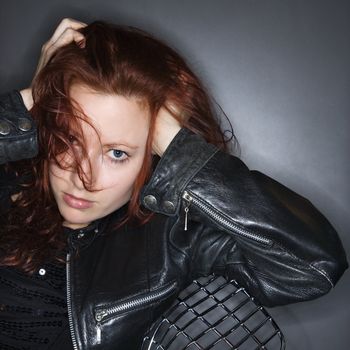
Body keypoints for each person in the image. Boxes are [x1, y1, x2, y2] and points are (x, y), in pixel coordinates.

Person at [0, 18, 347, 350]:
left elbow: (313, 266)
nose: (84, 177)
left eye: (117, 153)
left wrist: (172, 139)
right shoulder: (11, 179)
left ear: (152, 155)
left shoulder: (170, 240)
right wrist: (32, 100)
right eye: (69, 140)